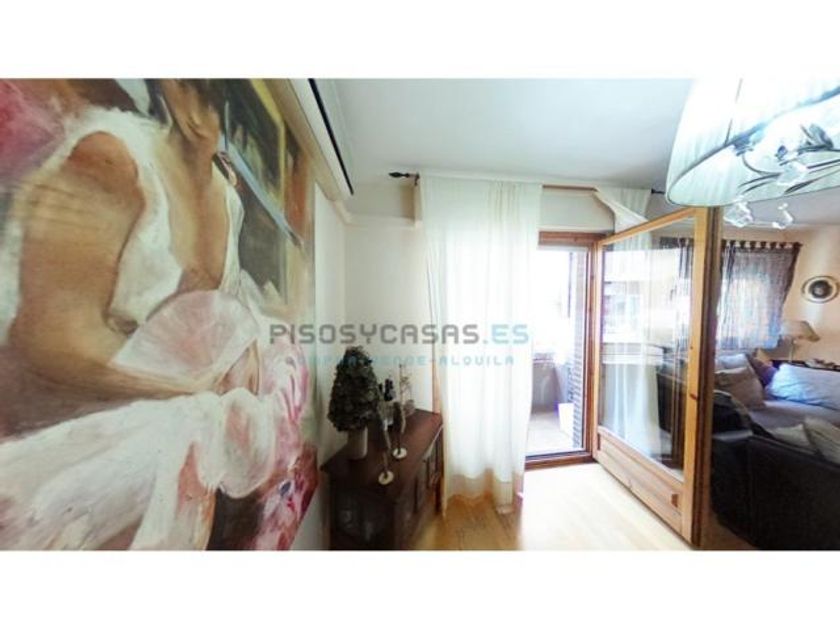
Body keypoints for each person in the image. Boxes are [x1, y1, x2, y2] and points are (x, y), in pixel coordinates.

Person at [0, 80, 314, 549]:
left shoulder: (227, 199)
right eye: (189, 91)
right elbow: (52, 339)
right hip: (82, 436)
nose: (200, 118)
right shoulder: (111, 158)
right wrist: (185, 389)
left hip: (184, 426)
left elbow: (221, 316)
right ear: (168, 89)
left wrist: (232, 389)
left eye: (213, 104)